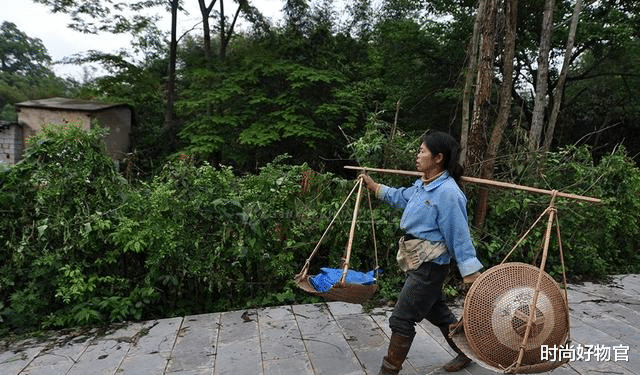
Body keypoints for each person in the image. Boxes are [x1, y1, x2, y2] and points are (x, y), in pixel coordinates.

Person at [360, 130, 483, 374]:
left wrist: (470, 271)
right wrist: (374, 187)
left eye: (422, 151)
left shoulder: (448, 193)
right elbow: (401, 197)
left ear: (438, 158)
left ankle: (389, 370)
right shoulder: (423, 185)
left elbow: (459, 235)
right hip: (417, 261)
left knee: (401, 319)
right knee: (436, 311)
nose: (417, 156)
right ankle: (465, 351)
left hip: (431, 266)